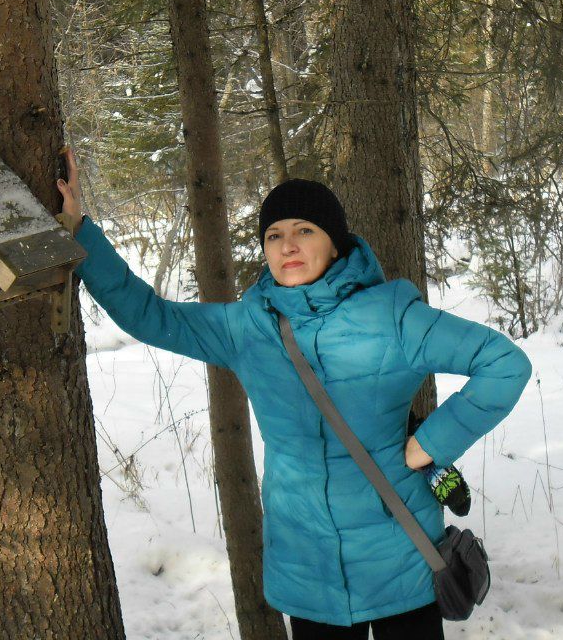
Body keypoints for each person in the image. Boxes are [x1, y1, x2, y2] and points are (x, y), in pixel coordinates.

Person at [56, 148, 532, 639]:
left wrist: (429, 445)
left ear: (335, 243)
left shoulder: (392, 317)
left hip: (402, 558)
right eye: (274, 235)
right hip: (309, 566)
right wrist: (80, 231)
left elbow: (505, 364)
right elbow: (151, 316)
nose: (288, 246)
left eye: (304, 230)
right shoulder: (249, 326)